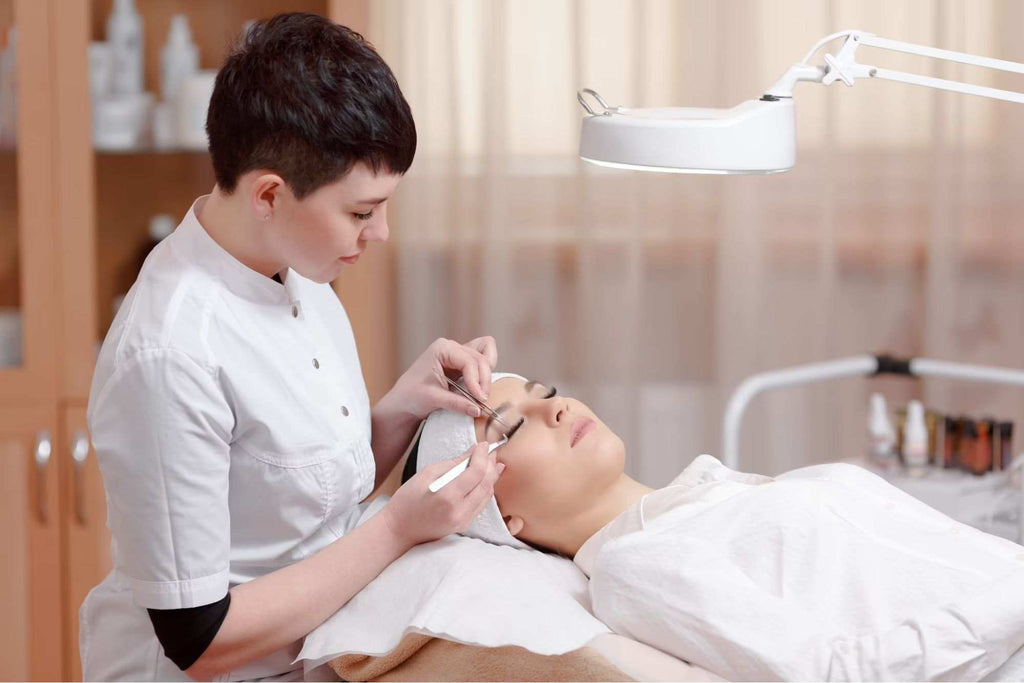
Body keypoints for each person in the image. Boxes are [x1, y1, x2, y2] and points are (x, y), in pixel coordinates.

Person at [82, 13, 505, 681]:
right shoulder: (171, 353)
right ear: (270, 195)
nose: (382, 233)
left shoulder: (294, 267)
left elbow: (293, 494)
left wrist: (402, 405)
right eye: (362, 212)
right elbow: (198, 636)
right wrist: (398, 526)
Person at [412, 373, 1024, 681]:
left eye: (547, 391)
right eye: (513, 428)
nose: (558, 407)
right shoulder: (636, 566)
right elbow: (838, 675)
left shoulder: (707, 492)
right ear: (504, 519)